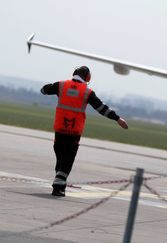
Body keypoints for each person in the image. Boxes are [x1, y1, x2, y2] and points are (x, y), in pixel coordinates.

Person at [41, 66, 128, 196]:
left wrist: (52, 88)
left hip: (59, 129)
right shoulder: (87, 92)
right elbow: (101, 108)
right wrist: (117, 118)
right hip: (74, 132)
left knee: (61, 159)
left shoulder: (61, 85)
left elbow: (44, 90)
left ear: (74, 73)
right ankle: (58, 187)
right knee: (67, 159)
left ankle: (59, 185)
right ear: (88, 78)